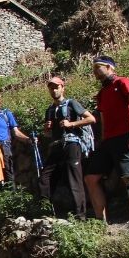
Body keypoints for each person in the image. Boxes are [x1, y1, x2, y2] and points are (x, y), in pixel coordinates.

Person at [83, 55, 129, 224]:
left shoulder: (122, 82)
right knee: (91, 178)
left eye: (98, 67)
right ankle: (100, 222)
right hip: (108, 141)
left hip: (126, 136)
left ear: (110, 67)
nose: (95, 71)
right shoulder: (102, 93)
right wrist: (103, 139)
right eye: (94, 68)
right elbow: (103, 120)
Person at [39, 76, 95, 218]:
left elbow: (91, 118)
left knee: (74, 178)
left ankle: (80, 215)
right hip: (57, 146)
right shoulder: (49, 110)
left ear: (63, 88)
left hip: (72, 144)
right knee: (45, 178)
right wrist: (46, 129)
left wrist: (72, 124)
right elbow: (47, 134)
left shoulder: (71, 104)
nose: (54, 90)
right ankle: (47, 212)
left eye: (56, 87)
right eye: (51, 87)